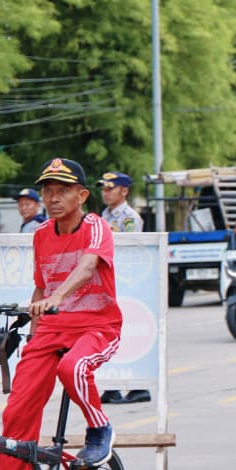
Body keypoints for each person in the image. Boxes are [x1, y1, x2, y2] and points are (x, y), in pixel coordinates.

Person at [0, 158, 122, 470]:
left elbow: (86, 268)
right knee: (16, 410)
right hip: (51, 329)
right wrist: (34, 331)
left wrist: (57, 297)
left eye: (63, 190)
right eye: (48, 190)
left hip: (98, 326)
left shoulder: (97, 226)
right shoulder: (41, 235)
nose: (53, 197)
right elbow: (40, 286)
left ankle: (100, 429)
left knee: (73, 369)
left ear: (82, 195)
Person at [98, 171, 147, 405]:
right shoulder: (104, 216)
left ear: (124, 191)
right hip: (108, 282)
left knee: (130, 334)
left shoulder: (129, 218)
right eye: (104, 188)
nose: (106, 192)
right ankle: (112, 385)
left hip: (128, 283)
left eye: (111, 188)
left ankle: (138, 386)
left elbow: (131, 253)